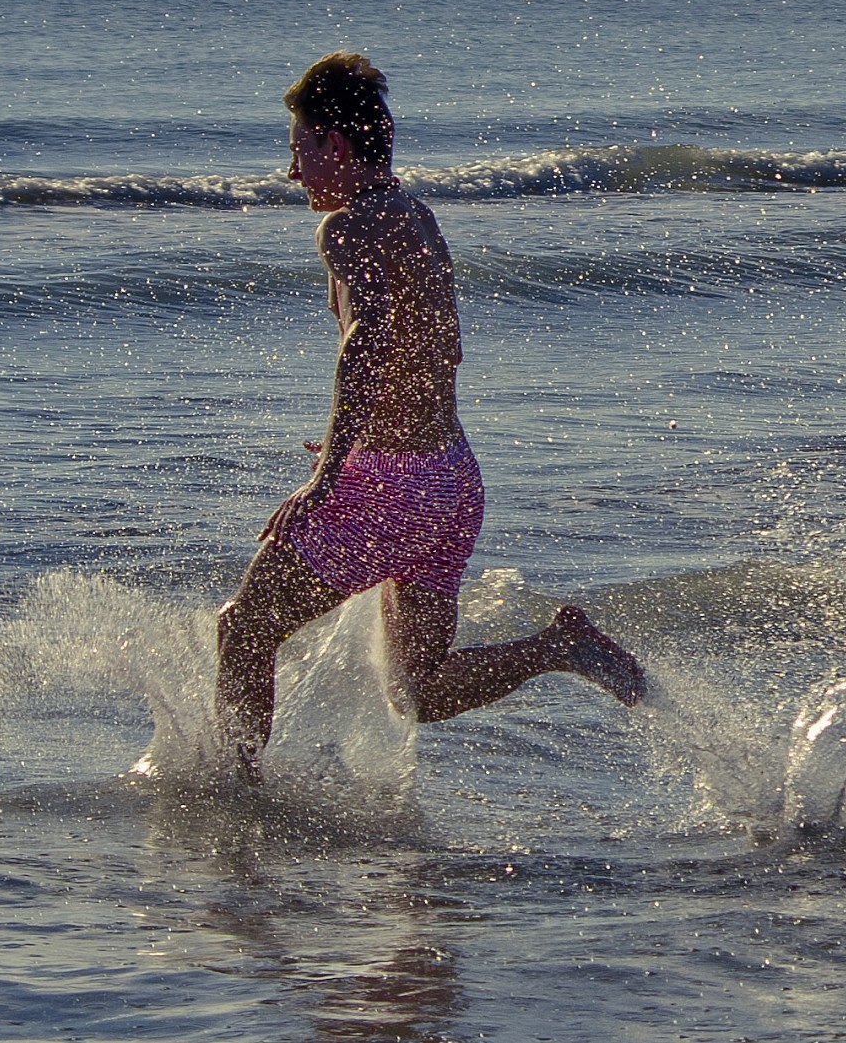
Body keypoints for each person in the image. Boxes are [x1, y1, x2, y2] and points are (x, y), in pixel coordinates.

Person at [216, 51, 644, 779]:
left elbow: (369, 340)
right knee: (416, 688)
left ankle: (237, 797)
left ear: (336, 145)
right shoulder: (415, 214)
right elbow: (434, 348)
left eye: (297, 149)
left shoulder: (346, 228)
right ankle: (557, 647)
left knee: (242, 630)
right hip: (450, 480)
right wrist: (364, 436)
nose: (293, 173)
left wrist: (331, 472)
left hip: (394, 489)